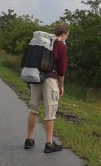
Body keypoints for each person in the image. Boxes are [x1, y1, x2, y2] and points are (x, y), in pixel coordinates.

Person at [24, 23, 69, 153]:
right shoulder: (61, 46)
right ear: (64, 33)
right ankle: (49, 144)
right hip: (50, 80)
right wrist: (61, 86)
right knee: (50, 113)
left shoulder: (44, 42)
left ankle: (29, 140)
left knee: (34, 110)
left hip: (36, 78)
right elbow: (62, 70)